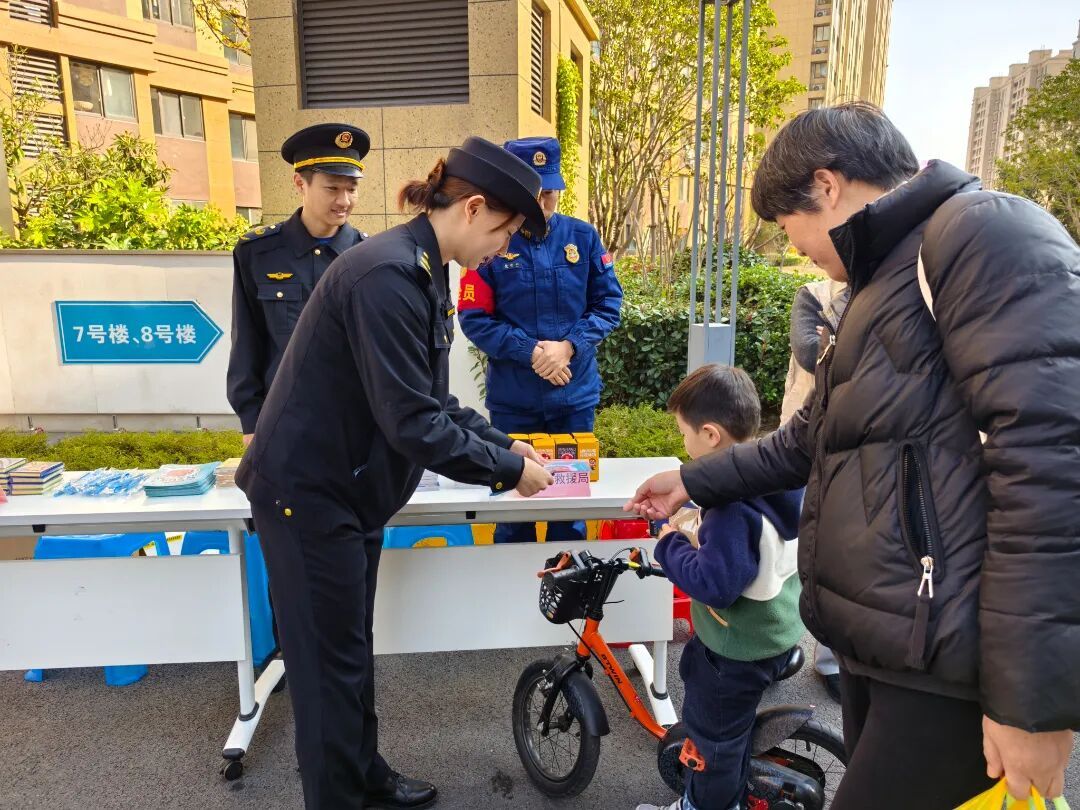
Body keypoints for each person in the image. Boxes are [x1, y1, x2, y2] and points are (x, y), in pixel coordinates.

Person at [626, 103, 1079, 807]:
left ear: (826, 185)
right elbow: (807, 441)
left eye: (787, 225)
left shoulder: (983, 234)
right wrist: (692, 480)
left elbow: (1053, 463)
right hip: (892, 646)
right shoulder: (879, 281)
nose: (794, 246)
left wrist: (1034, 701)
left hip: (947, 658)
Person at [235, 136, 555, 810]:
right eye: (504, 232)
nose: (504, 249)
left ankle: (364, 775)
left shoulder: (419, 267)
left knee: (350, 650)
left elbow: (432, 400)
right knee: (326, 670)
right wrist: (505, 470)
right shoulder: (386, 276)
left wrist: (507, 445)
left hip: (348, 492)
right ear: (472, 208)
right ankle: (339, 796)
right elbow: (413, 424)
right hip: (308, 497)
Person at [636, 364, 804, 810]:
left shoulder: (730, 508)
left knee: (714, 744)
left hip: (736, 648)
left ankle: (705, 805)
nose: (683, 445)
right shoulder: (774, 473)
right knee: (719, 709)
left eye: (684, 435)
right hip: (774, 627)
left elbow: (714, 584)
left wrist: (669, 543)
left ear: (710, 434)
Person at [458, 136, 623, 542]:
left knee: (569, 512)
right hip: (514, 404)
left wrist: (568, 346)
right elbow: (475, 318)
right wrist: (531, 352)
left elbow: (608, 304)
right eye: (534, 195)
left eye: (550, 193)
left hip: (574, 399)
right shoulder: (491, 242)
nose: (543, 204)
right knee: (514, 512)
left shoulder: (583, 238)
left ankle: (567, 580)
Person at [227, 123, 370, 446]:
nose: (344, 200)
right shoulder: (258, 252)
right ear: (299, 183)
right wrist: (251, 422)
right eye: (332, 188)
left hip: (354, 423)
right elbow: (247, 342)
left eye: (352, 189)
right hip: (283, 421)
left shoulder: (367, 255)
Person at [780, 278, 849, 704]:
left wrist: (836, 335)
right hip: (802, 442)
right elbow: (812, 353)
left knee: (839, 557)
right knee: (790, 550)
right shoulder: (814, 294)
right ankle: (776, 644)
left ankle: (832, 661)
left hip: (856, 445)